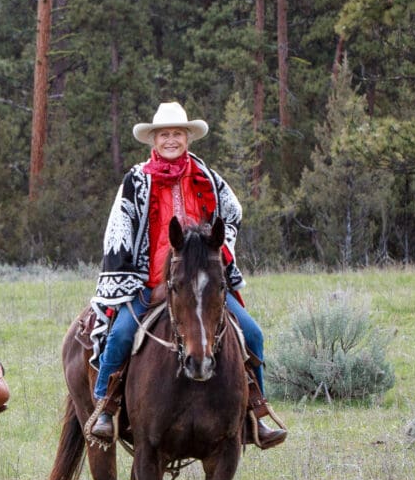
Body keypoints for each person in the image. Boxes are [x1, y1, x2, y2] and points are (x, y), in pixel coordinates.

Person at [88, 102, 286, 448]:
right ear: (154, 139)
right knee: (120, 334)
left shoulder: (206, 177)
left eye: (177, 134)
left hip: (200, 283)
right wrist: (129, 275)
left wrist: (216, 250)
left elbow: (233, 212)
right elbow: (118, 228)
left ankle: (256, 412)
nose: (170, 140)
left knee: (252, 334)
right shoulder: (136, 180)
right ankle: (106, 406)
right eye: (164, 134)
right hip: (149, 281)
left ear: (187, 138)